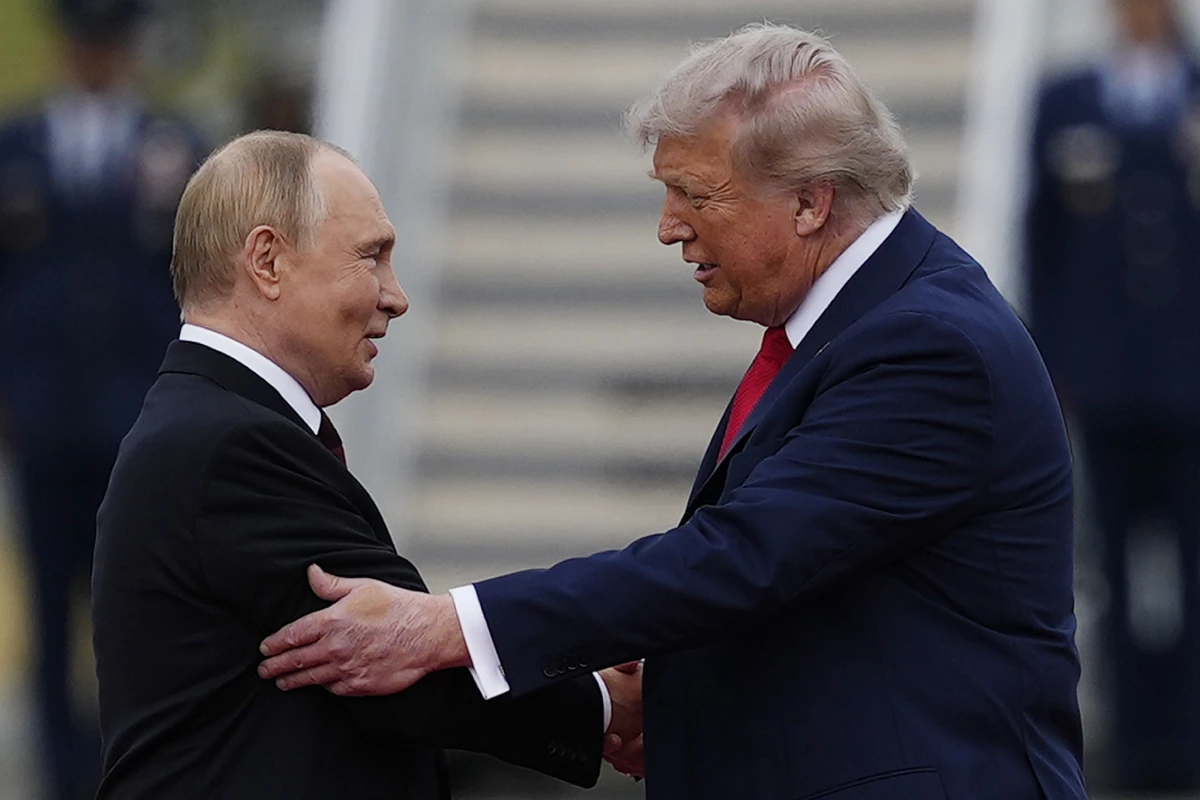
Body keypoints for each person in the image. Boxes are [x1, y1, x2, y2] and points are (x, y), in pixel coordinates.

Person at [259, 24, 1087, 800]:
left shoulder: (929, 346)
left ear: (810, 203)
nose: (668, 229)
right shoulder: (857, 322)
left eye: (695, 193)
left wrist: (449, 626)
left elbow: (742, 556)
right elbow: (819, 580)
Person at [91, 131, 640, 799]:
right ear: (267, 260)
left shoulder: (210, 425)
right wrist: (607, 706)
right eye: (371, 257)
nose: (396, 296)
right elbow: (398, 663)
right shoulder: (231, 446)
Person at [0, 1, 204, 797]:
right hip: (44, 409)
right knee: (49, 604)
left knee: (131, 601)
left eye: (109, 43)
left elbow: (194, 278)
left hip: (135, 412)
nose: (97, 58)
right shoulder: (18, 144)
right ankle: (60, 773)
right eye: (86, 42)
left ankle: (129, 767)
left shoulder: (173, 143)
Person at [1026, 0, 1200, 791]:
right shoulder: (1068, 100)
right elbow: (1044, 245)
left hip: (1192, 380)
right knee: (1116, 567)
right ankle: (1137, 745)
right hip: (1108, 383)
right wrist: (1054, 366)